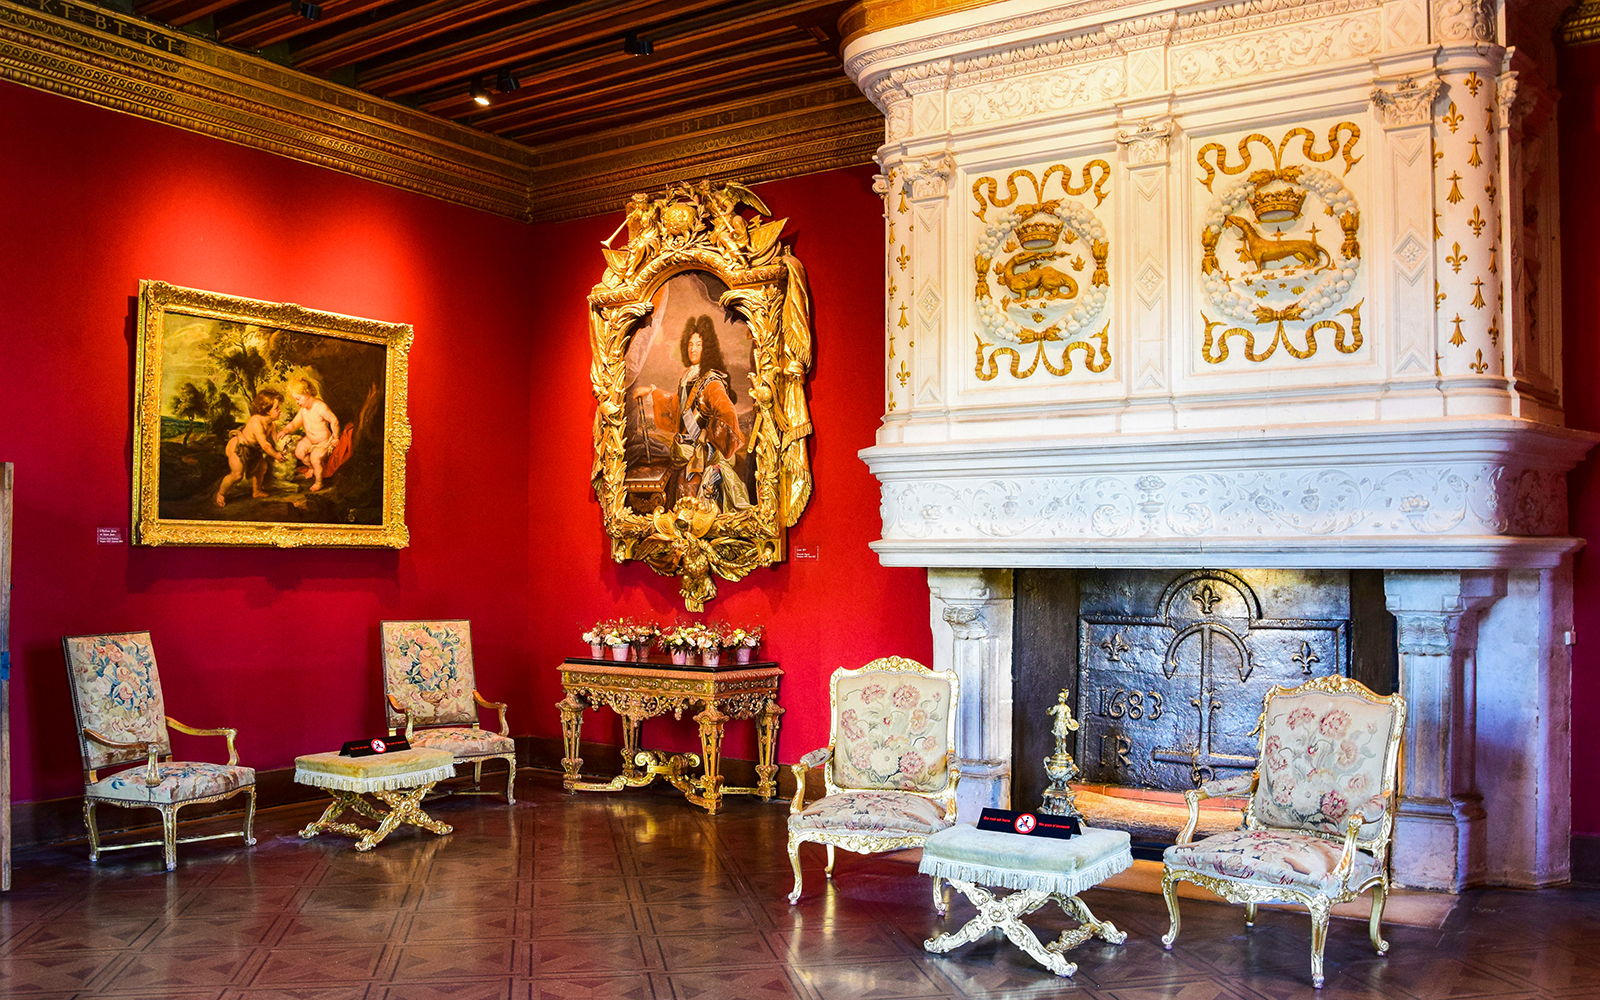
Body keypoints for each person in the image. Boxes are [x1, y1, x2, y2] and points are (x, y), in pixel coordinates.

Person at [672, 315, 749, 510]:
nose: (693, 349)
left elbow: (727, 412)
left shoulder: (711, 380)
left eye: (698, 344)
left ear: (707, 347)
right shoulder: (686, 376)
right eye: (690, 344)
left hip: (703, 458)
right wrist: (651, 393)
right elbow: (678, 407)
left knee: (700, 508)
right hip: (685, 455)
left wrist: (709, 436)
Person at [214, 389, 283, 507]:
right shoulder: (256, 421)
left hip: (253, 449)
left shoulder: (272, 424)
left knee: (262, 467)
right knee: (237, 475)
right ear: (267, 410)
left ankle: (256, 491)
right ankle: (221, 494)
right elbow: (265, 445)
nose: (280, 410)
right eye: (276, 408)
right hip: (239, 447)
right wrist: (276, 455)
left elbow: (276, 440)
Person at [276, 377, 341, 493]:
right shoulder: (303, 410)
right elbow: (295, 423)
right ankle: (311, 468)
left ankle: (319, 482)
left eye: (298, 399)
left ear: (306, 393)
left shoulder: (320, 407)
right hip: (310, 440)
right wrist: (285, 431)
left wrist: (335, 437)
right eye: (295, 399)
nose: (297, 402)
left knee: (315, 458)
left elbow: (334, 421)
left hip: (323, 442)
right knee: (299, 452)